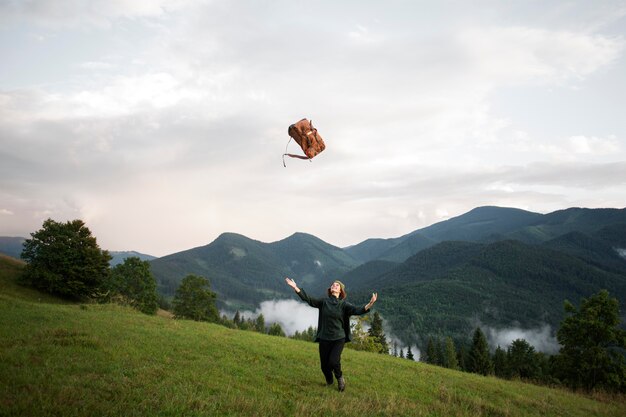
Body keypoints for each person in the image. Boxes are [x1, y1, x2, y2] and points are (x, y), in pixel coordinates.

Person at [285, 277, 378, 392]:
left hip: (338, 338)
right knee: (324, 366)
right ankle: (329, 381)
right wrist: (295, 287)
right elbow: (309, 300)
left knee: (333, 361)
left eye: (337, 285)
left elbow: (358, 310)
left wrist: (370, 303)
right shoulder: (324, 302)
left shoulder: (344, 305)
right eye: (333, 285)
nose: (334, 286)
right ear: (331, 289)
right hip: (324, 338)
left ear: (340, 291)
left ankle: (339, 378)